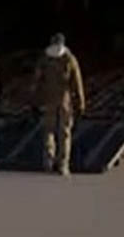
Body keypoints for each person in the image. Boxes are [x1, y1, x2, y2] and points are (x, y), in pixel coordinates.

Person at [32, 33, 86, 176]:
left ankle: (48, 162)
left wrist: (34, 101)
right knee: (65, 133)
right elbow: (77, 83)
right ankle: (63, 165)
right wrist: (80, 104)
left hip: (48, 100)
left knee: (49, 131)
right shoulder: (69, 59)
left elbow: (36, 82)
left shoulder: (44, 59)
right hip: (65, 101)